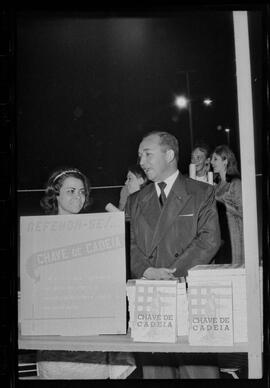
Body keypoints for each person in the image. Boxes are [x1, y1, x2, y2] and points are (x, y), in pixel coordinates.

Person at [125, 131, 221, 379]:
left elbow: (209, 240)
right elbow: (130, 244)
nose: (142, 162)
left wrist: (171, 274)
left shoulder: (201, 192)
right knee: (157, 372)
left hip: (190, 295)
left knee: (199, 372)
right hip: (151, 298)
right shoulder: (135, 200)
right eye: (139, 156)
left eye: (147, 154)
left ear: (169, 155)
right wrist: (146, 271)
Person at [38, 167, 136, 379]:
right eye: (71, 191)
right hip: (57, 327)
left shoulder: (96, 231)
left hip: (91, 330)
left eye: (82, 192)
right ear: (55, 194)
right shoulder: (39, 233)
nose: (78, 197)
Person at [211, 145, 244, 265]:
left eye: (215, 159)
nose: (211, 162)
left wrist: (222, 204)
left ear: (225, 161)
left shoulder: (236, 183)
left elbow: (242, 212)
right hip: (220, 236)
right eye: (211, 159)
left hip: (233, 233)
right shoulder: (217, 185)